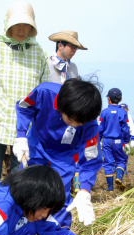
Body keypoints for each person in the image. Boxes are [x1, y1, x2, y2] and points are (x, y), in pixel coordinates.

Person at [0, 0, 50, 188]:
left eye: (26, 25)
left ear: (33, 27)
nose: (21, 30)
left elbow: (44, 92)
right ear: (8, 24)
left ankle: (13, 216)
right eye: (17, 24)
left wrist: (43, 126)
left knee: (20, 181)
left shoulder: (39, 53)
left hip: (25, 128)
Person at [13, 78, 103, 228]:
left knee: (60, 196)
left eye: (80, 123)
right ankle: (20, 229)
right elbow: (24, 107)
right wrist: (21, 135)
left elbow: (91, 158)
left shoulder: (89, 122)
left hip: (64, 156)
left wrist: (85, 190)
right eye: (72, 120)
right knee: (27, 187)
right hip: (37, 145)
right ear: (62, 106)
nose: (76, 125)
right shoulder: (44, 93)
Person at [48, 30, 87, 192]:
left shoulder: (73, 69)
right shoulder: (46, 64)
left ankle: (65, 190)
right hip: (50, 118)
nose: (74, 50)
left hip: (68, 120)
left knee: (67, 155)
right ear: (60, 45)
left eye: (76, 47)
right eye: (72, 46)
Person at [99, 88, 130, 192]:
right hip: (118, 141)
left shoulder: (104, 112)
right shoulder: (123, 112)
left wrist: (98, 139)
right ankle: (119, 177)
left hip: (106, 141)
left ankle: (110, 187)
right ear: (120, 99)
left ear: (108, 99)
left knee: (108, 162)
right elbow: (125, 128)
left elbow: (101, 128)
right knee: (121, 160)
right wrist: (126, 140)